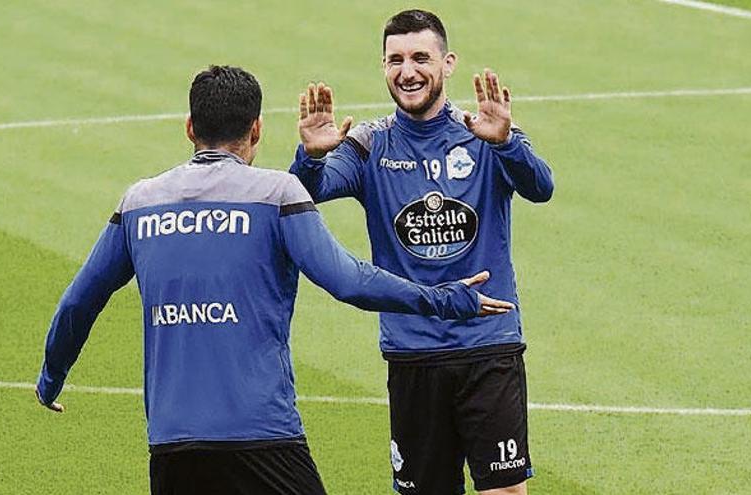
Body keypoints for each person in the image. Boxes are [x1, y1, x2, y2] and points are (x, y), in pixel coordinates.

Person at [34, 65, 515, 495]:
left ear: (189, 128)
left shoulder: (139, 202)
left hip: (172, 443)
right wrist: (445, 299)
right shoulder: (276, 193)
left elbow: (80, 302)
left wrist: (52, 377)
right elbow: (349, 281)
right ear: (257, 128)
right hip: (263, 435)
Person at [289, 9, 554, 495]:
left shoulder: (484, 131)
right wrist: (311, 156)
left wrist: (508, 143)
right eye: (395, 60)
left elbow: (541, 187)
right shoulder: (369, 143)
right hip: (413, 351)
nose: (407, 71)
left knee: (506, 490)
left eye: (420, 58)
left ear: (447, 63)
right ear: (383, 66)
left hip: (487, 341)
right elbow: (306, 194)